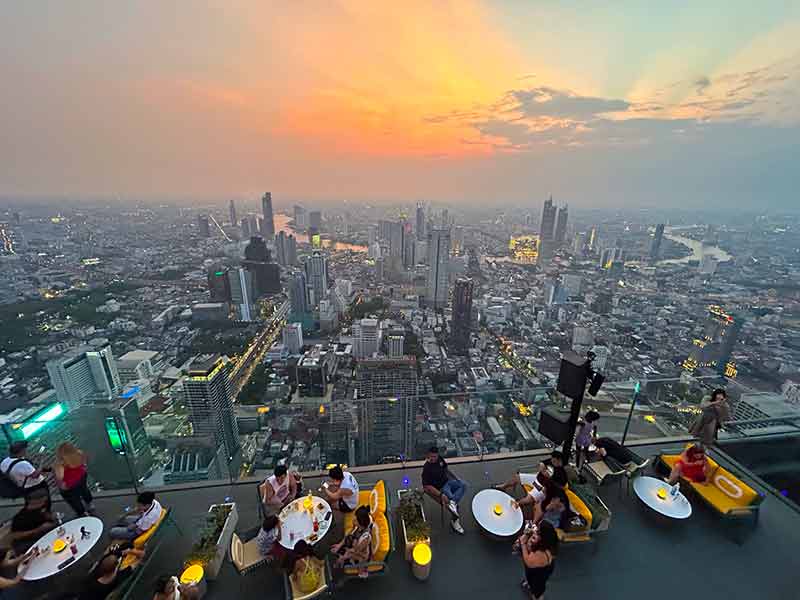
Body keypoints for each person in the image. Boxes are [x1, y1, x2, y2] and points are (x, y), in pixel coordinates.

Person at [421, 446, 466, 534]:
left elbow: (446, 470)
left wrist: (456, 479)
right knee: (452, 503)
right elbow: (426, 486)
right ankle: (455, 522)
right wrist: (440, 495)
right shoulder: (427, 468)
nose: (434, 458)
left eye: (435, 456)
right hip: (441, 488)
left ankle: (453, 502)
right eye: (432, 457)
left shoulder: (440, 460)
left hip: (448, 482)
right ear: (428, 456)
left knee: (464, 484)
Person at [496, 450, 567, 505]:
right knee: (517, 477)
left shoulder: (561, 474)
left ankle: (517, 503)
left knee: (529, 498)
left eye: (554, 460)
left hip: (543, 487)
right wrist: (541, 466)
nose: (551, 461)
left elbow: (560, 487)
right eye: (552, 459)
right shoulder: (552, 461)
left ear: (559, 460)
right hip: (536, 478)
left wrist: (549, 480)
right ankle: (503, 486)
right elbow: (542, 463)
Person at [81, 542, 145, 600]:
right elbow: (142, 556)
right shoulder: (120, 577)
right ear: (115, 567)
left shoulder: (92, 577)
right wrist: (130, 551)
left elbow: (108, 557)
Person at [0, 441, 51, 507]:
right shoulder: (23, 464)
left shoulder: (4, 461)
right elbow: (35, 475)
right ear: (21, 451)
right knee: (45, 503)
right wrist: (42, 460)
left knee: (32, 504)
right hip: (36, 487)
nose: (26, 451)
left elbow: (22, 470)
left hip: (23, 488)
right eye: (25, 450)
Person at [519, 521, 558, 600]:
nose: (535, 529)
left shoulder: (541, 553)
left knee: (537, 591)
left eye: (538, 530)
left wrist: (523, 544)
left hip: (540, 572)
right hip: (537, 567)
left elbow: (528, 562)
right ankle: (530, 583)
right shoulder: (546, 542)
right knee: (530, 577)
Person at [54, 442, 95, 517]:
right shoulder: (79, 453)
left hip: (70, 483)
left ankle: (83, 513)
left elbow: (60, 477)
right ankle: (90, 505)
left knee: (74, 499)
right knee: (84, 489)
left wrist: (61, 486)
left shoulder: (61, 462)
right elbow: (84, 462)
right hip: (82, 476)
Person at [9, 488, 55, 553]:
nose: (42, 504)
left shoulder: (41, 507)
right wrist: (38, 529)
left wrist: (50, 518)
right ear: (32, 501)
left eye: (44, 502)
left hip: (42, 535)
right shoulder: (20, 518)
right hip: (26, 542)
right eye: (40, 502)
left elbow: (48, 519)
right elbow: (15, 536)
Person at [331, 506, 372, 577]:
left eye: (355, 519)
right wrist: (340, 545)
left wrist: (345, 555)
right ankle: (340, 560)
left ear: (360, 523)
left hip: (361, 554)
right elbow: (349, 534)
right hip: (353, 546)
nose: (353, 520)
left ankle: (340, 566)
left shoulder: (365, 538)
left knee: (340, 558)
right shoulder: (358, 525)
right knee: (335, 549)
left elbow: (356, 551)